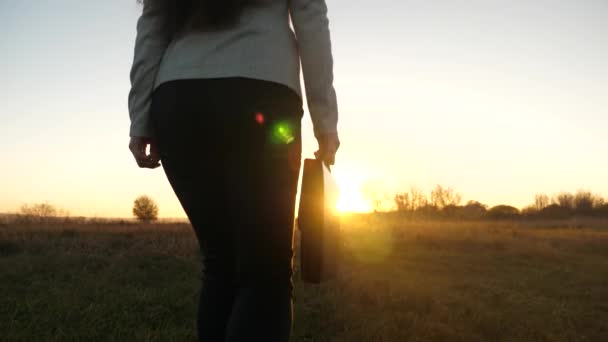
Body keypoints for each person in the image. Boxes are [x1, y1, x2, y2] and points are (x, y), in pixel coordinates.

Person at [127, 0, 339, 340]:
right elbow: (310, 13)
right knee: (265, 272)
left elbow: (153, 22)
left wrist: (140, 117)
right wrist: (325, 121)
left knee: (221, 263)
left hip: (180, 100)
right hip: (262, 90)